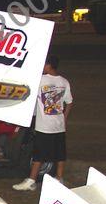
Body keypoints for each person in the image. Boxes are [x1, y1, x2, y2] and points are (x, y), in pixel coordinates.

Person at [13, 55, 73, 191]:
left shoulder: (40, 80)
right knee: (60, 154)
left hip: (44, 126)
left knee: (38, 154)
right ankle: (59, 178)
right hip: (58, 125)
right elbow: (69, 102)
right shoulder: (64, 81)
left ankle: (32, 180)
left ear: (49, 65)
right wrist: (64, 117)